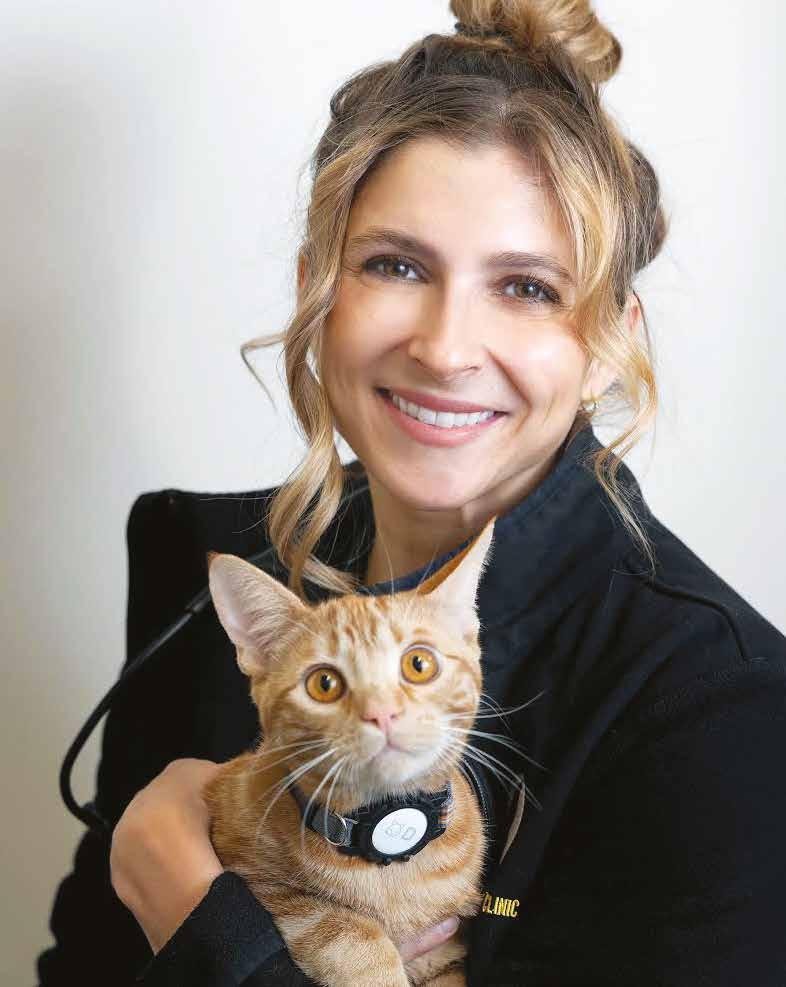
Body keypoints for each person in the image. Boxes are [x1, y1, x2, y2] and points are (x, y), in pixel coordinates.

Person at [38, 2, 786, 985]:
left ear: (613, 345)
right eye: (395, 266)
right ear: (317, 292)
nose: (443, 348)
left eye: (526, 287)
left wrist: (201, 919)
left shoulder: (723, 714)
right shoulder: (215, 577)